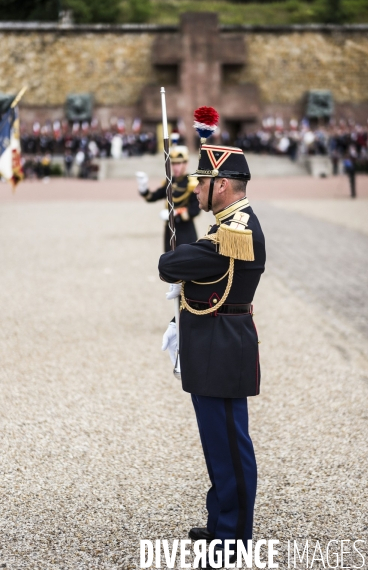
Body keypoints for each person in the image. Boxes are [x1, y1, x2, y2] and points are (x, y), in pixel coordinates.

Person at [158, 144, 266, 567]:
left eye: (202, 182)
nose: (197, 189)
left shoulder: (235, 230)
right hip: (214, 345)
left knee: (230, 449)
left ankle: (233, 542)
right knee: (217, 446)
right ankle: (222, 520)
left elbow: (170, 265)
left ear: (221, 185)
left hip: (223, 348)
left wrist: (173, 256)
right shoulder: (226, 222)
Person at [136, 146, 200, 252]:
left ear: (186, 164)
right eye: (173, 164)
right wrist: (144, 189)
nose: (175, 167)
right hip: (169, 231)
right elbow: (153, 197)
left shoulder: (192, 183)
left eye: (179, 163)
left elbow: (195, 210)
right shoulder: (170, 181)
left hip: (185, 231)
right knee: (169, 263)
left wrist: (175, 213)